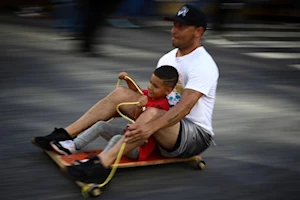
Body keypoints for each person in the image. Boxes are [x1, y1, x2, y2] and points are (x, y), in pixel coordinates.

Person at [31, 4, 219, 183]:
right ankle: (65, 135)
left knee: (152, 113)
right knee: (121, 93)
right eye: (174, 25)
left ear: (198, 31)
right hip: (164, 125)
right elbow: (155, 96)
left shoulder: (203, 64)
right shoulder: (167, 59)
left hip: (194, 136)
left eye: (181, 26)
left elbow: (184, 107)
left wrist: (149, 126)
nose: (174, 30)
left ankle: (102, 164)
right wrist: (138, 99)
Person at [49, 65, 179, 161]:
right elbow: (137, 91)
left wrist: (140, 108)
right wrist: (127, 79)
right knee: (101, 125)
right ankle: (73, 145)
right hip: (127, 136)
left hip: (139, 147)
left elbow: (140, 123)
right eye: (151, 82)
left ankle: (99, 161)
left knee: (117, 139)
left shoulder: (161, 107)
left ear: (168, 91)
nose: (150, 87)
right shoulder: (150, 95)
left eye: (155, 86)